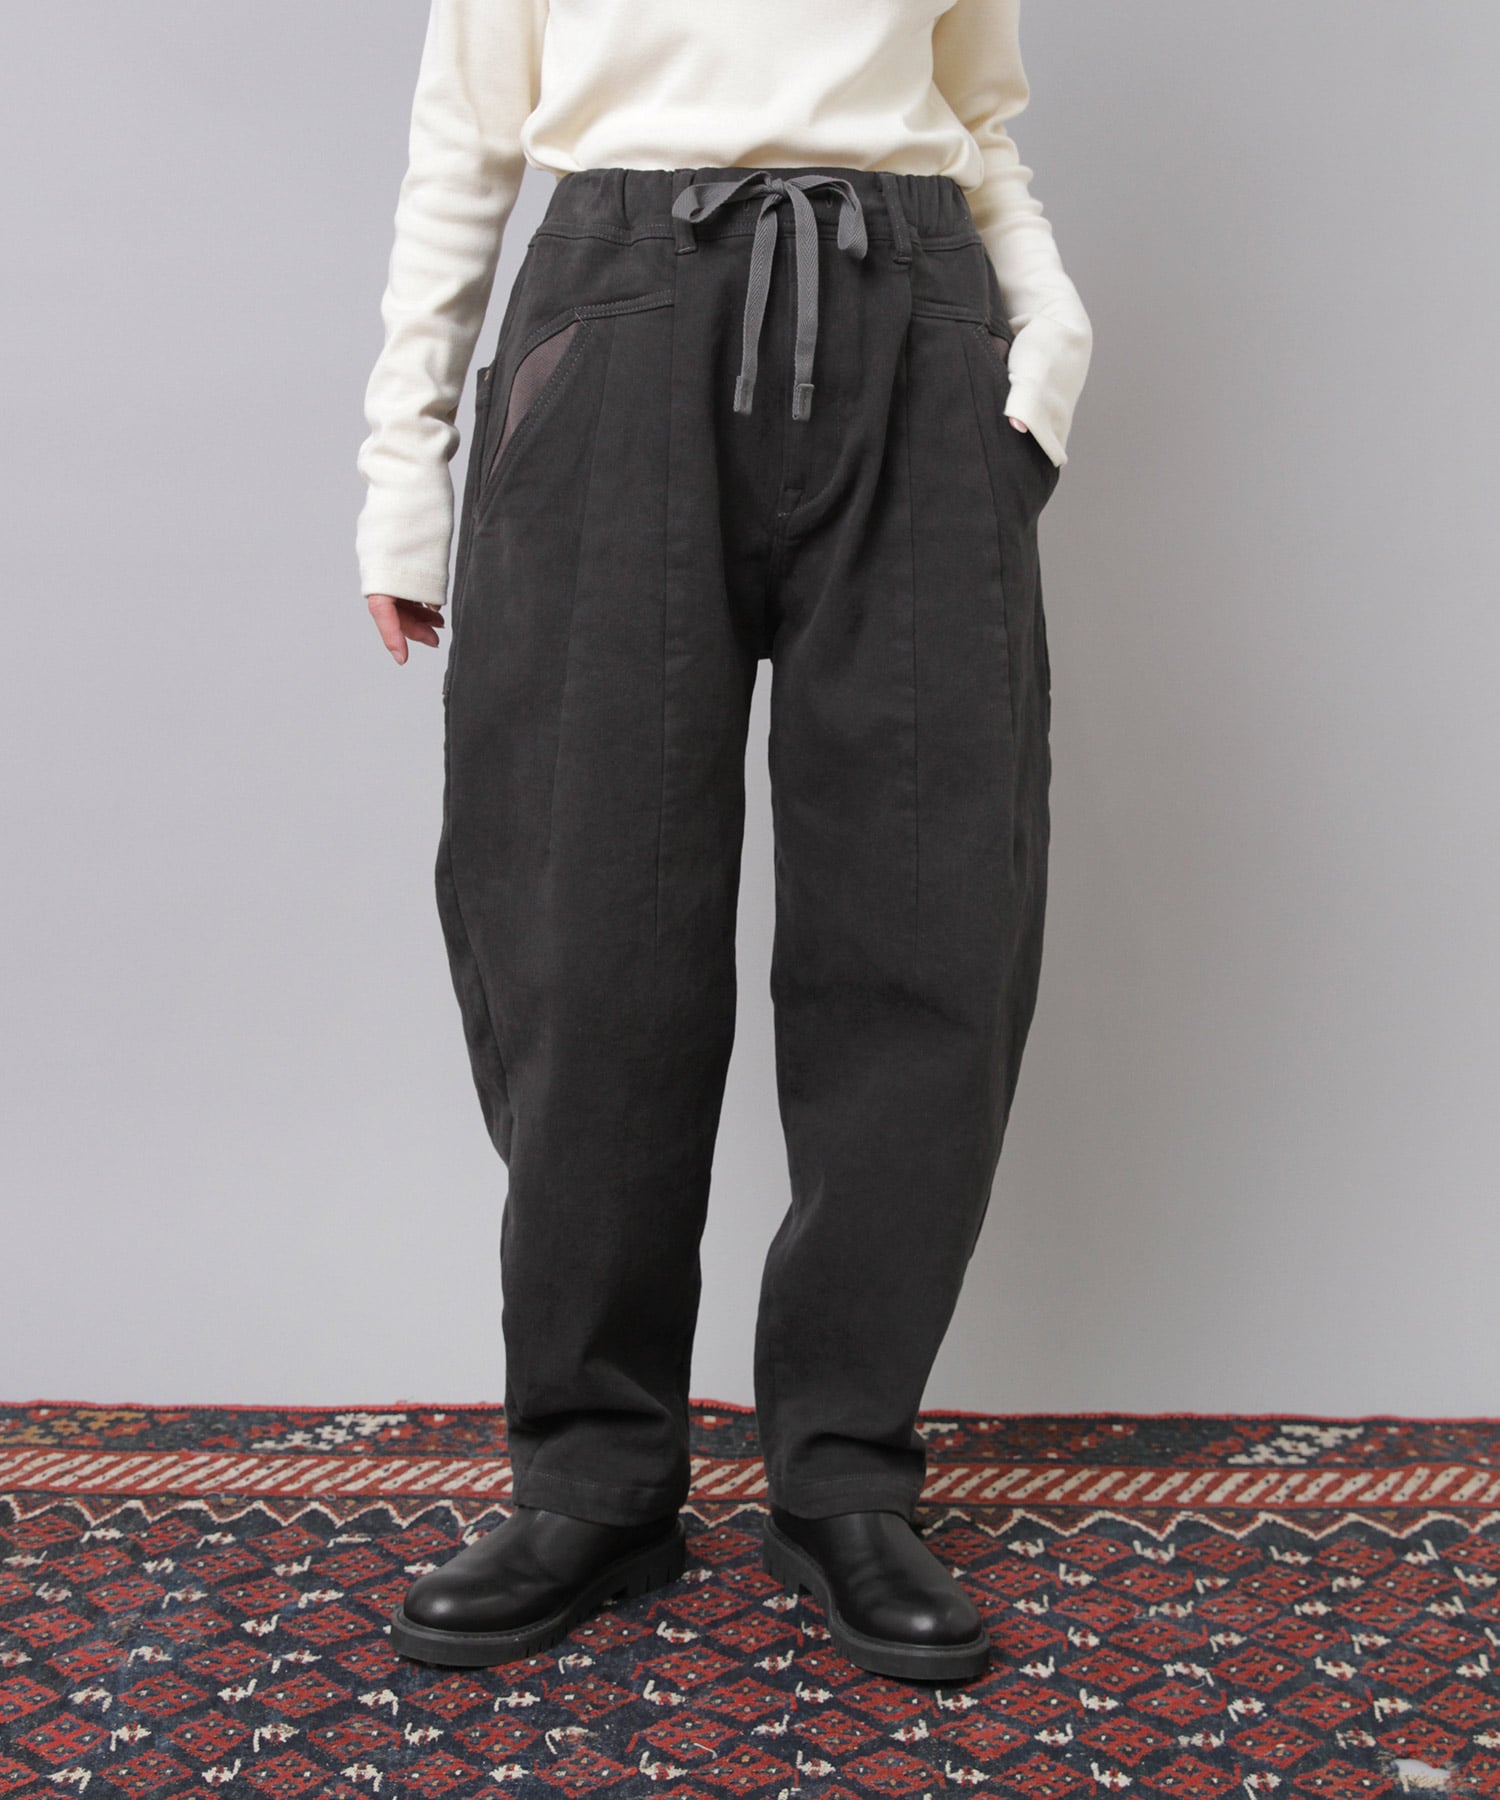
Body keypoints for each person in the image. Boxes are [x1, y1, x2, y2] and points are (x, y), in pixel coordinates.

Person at [355, 0, 1091, 1684]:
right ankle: (595, 1480)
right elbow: (463, 140)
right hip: (618, 318)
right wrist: (406, 472)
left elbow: (977, 118)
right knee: (585, 929)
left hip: (915, 326)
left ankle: (846, 1477)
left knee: (929, 918)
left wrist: (1045, 334)